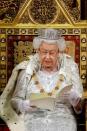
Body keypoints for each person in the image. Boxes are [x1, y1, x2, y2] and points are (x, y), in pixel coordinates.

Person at [0, 29, 83, 131]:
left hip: (63, 119)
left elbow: (80, 109)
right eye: (44, 52)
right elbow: (14, 102)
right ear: (38, 51)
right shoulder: (27, 70)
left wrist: (75, 100)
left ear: (59, 52)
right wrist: (23, 105)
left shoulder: (70, 69)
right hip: (32, 118)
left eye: (52, 53)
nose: (47, 57)